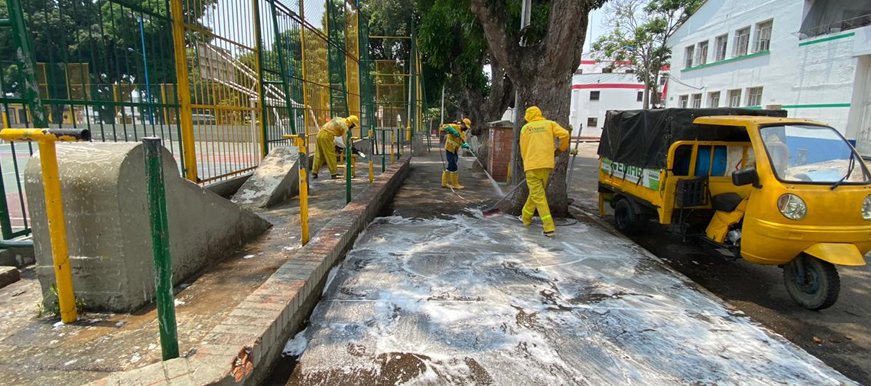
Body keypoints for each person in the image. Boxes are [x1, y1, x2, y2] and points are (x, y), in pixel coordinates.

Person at [519, 106, 569, 237]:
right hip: (546, 164)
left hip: (531, 165)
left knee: (538, 196)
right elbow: (565, 134)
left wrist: (527, 162)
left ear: (528, 117)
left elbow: (523, 148)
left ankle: (548, 226)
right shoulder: (549, 124)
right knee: (536, 193)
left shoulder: (525, 128)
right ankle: (526, 216)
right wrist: (560, 149)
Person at [440, 118, 471, 189]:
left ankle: (444, 183)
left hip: (455, 151)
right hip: (449, 149)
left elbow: (462, 142)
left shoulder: (463, 134)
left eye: (467, 127)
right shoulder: (454, 126)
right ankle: (455, 184)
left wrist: (465, 145)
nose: (465, 128)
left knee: (450, 166)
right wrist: (452, 131)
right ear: (462, 123)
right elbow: (444, 126)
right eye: (465, 126)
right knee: (454, 166)